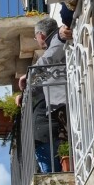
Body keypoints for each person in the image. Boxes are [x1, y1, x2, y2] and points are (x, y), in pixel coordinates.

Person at [16, 17, 68, 173]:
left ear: (41, 35)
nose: (36, 40)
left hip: (64, 100)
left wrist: (28, 74)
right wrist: (24, 94)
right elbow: (41, 83)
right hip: (59, 104)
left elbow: (49, 59)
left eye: (35, 37)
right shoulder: (56, 40)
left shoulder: (58, 38)